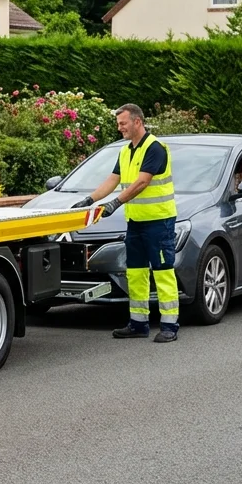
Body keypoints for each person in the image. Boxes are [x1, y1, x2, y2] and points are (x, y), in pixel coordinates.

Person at [71, 104, 180, 343]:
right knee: (136, 273)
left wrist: (115, 203)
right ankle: (138, 323)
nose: (119, 128)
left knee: (162, 272)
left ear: (137, 122)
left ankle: (170, 325)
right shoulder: (125, 151)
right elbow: (113, 179)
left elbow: (141, 183)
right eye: (118, 124)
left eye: (123, 123)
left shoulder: (155, 148)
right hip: (136, 223)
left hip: (159, 221)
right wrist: (90, 199)